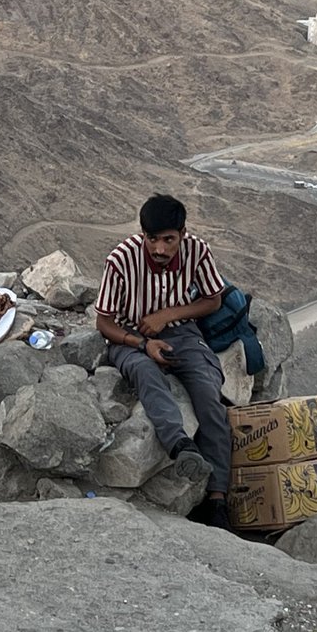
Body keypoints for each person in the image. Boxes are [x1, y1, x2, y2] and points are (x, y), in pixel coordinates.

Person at [94, 194, 233, 529]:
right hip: (129, 335)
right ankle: (180, 445)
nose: (159, 249)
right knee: (144, 371)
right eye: (151, 239)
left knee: (207, 391)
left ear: (182, 234)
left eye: (168, 240)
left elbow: (212, 300)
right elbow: (104, 323)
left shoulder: (197, 251)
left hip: (181, 332)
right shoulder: (121, 260)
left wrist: (169, 314)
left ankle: (217, 499)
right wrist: (143, 342)